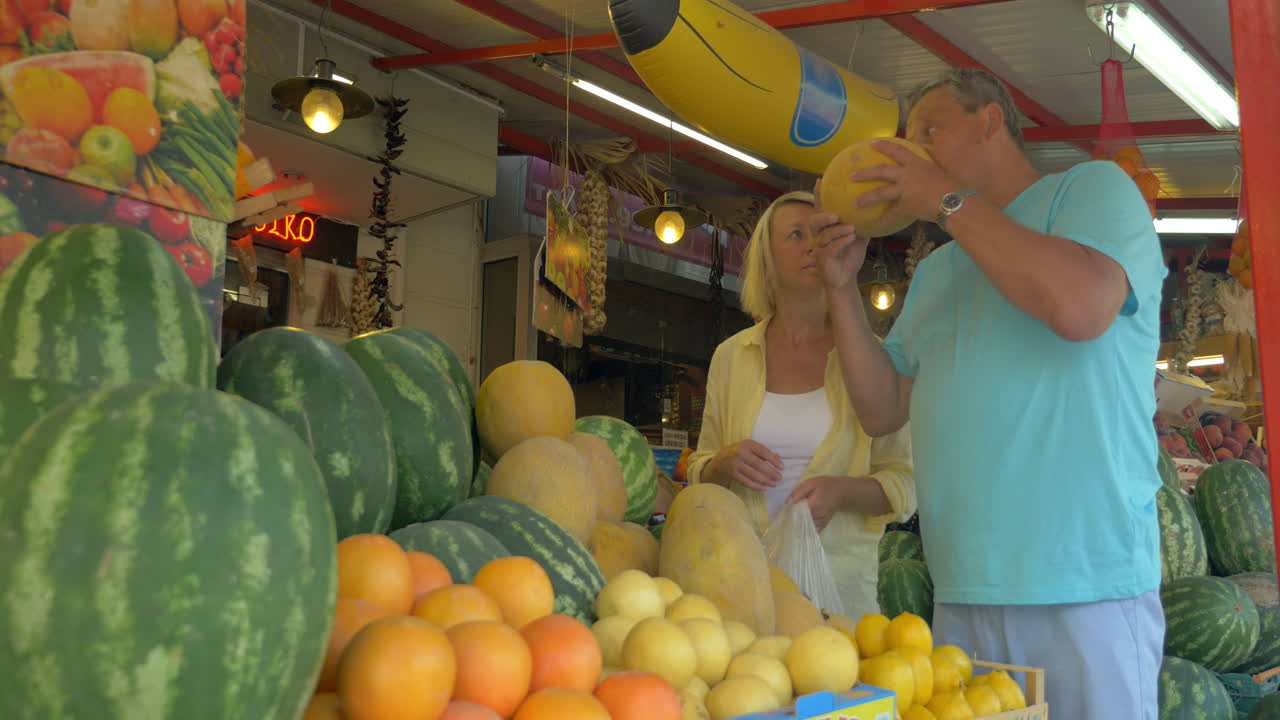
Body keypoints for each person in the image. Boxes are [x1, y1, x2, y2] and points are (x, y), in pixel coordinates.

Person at [810, 68, 1166, 719]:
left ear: (991, 121)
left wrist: (945, 199)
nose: (913, 149)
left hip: (1084, 584)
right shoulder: (941, 268)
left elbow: (1080, 307)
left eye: (930, 130)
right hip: (964, 584)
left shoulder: (1093, 189)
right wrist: (840, 287)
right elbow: (882, 407)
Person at [685, 190, 916, 619]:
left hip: (842, 598)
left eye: (820, 234)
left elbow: (905, 485)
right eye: (795, 235)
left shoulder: (874, 360)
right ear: (766, 260)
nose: (812, 245)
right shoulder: (732, 357)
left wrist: (840, 492)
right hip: (742, 592)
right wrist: (724, 461)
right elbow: (699, 471)